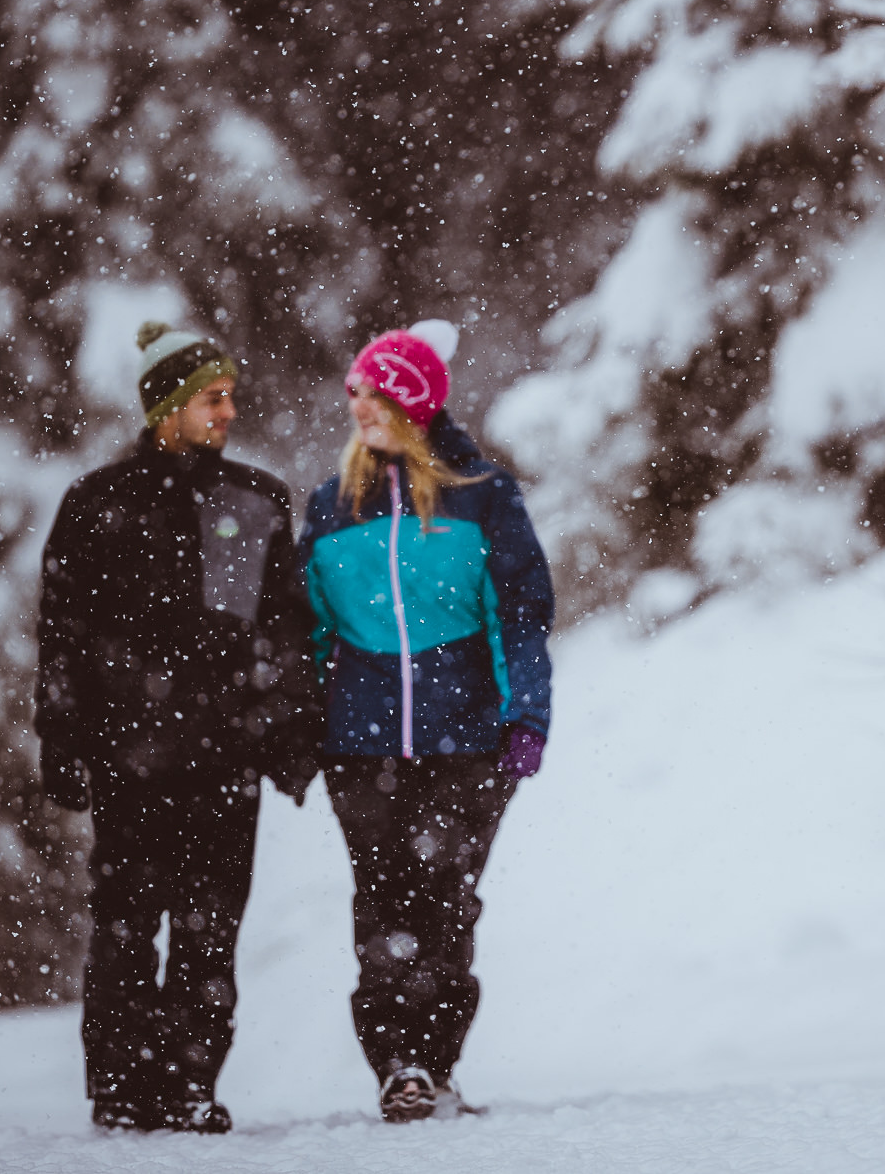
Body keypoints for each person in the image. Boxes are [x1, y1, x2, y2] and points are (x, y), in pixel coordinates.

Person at [34, 321, 322, 1134]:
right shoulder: (95, 504)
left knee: (210, 930)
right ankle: (123, 1090)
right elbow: (62, 633)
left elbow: (286, 629)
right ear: (167, 408)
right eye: (212, 398)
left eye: (230, 396)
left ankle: (191, 1083)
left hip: (224, 760)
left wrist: (287, 731)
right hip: (130, 760)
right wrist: (61, 737)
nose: (229, 410)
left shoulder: (259, 501)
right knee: (127, 924)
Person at [298, 319, 553, 1123]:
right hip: (361, 741)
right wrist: (298, 720)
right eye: (355, 394)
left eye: (373, 394)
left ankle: (436, 1062)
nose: (359, 408)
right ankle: (398, 1063)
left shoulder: (483, 497)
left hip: (467, 737)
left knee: (447, 902)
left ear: (412, 402)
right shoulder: (334, 504)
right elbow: (306, 625)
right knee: (383, 902)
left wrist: (527, 715)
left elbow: (522, 614)